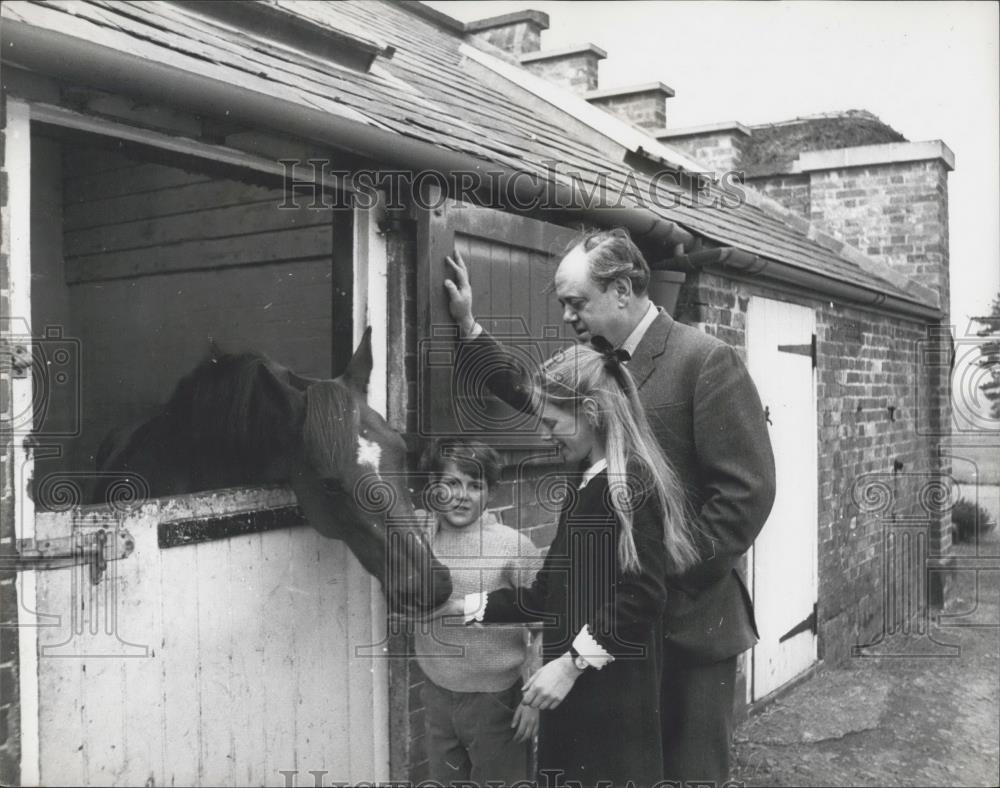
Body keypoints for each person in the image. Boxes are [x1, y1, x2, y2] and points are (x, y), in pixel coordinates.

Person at [444, 227, 777, 785]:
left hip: (687, 629)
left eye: (578, 302)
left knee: (687, 775)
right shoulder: (595, 365)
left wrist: (645, 578)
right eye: (564, 305)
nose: (569, 317)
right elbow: (539, 397)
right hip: (615, 636)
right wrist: (471, 331)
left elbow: (745, 500)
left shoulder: (704, 362)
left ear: (623, 288)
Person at [432, 343, 698, 787]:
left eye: (552, 423)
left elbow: (642, 595)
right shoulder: (585, 484)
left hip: (610, 696)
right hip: (574, 691)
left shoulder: (631, 484)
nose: (544, 435)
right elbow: (546, 595)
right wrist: (467, 607)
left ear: (591, 412)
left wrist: (569, 665)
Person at [413, 438, 542, 787]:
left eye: (475, 485)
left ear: (492, 492)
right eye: (451, 483)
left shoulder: (513, 546)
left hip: (496, 701)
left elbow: (544, 624)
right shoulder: (417, 540)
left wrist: (532, 699)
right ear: (432, 487)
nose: (462, 495)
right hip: (437, 693)